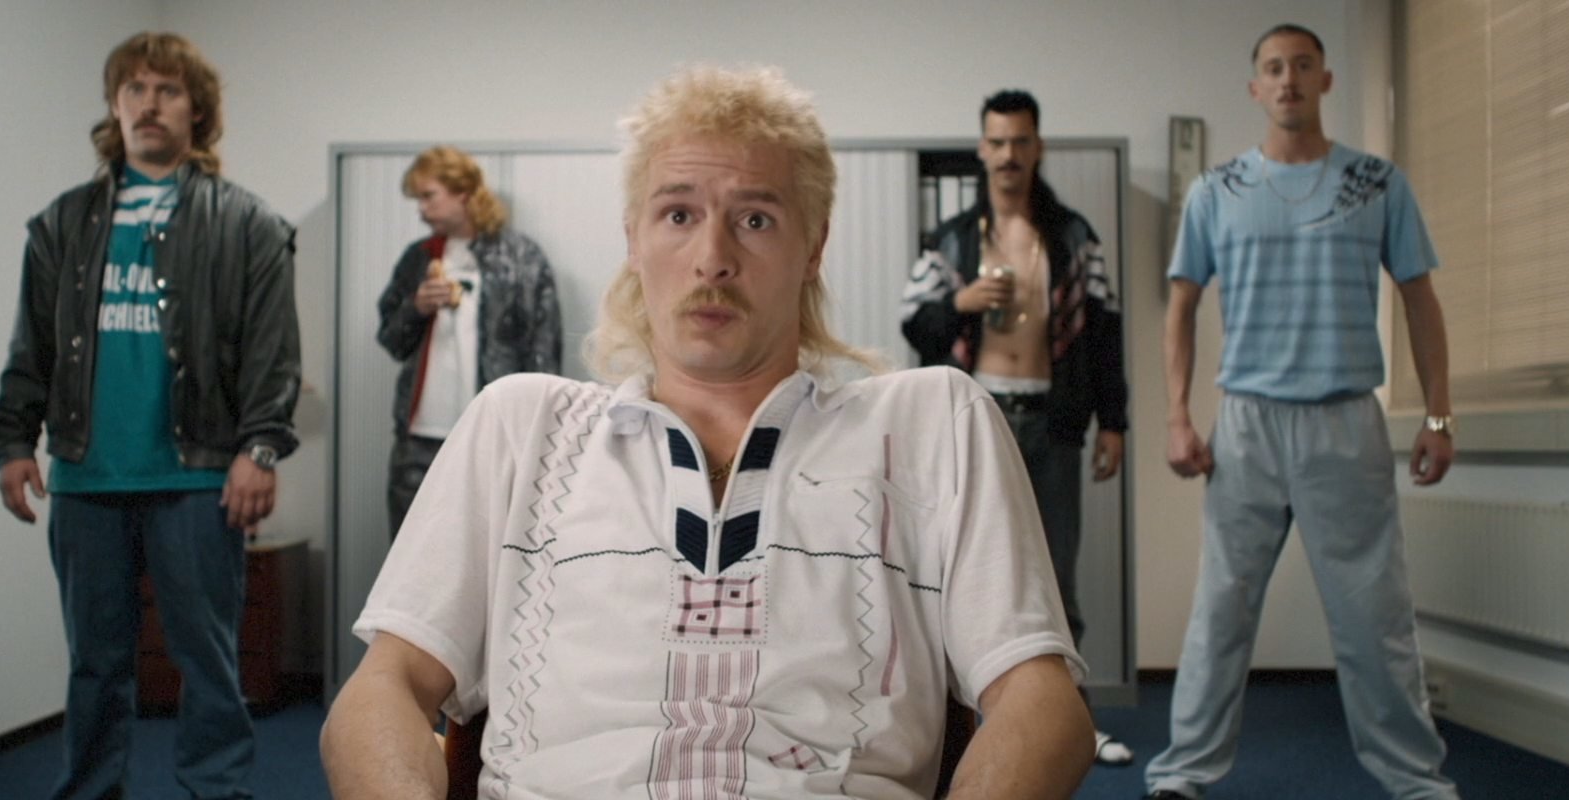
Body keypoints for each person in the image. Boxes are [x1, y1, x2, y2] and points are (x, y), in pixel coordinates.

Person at [323, 65, 1094, 799]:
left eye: (755, 219)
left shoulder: (931, 424)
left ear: (814, 246)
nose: (713, 259)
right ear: (634, 239)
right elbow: (383, 689)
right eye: (679, 215)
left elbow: (1044, 707)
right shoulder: (521, 427)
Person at [0, 31, 299, 800]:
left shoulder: (248, 224)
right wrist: (14, 441)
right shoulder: (61, 224)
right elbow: (33, 344)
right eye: (135, 90)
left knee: (207, 661)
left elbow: (273, 353)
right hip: (87, 477)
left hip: (198, 477)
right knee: (95, 664)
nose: (149, 104)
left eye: (168, 90)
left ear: (197, 111)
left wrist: (259, 448)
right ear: (115, 106)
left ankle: (215, 791)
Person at [1143, 23, 1458, 800]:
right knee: (1221, 612)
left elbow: (1420, 300)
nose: (1288, 79)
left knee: (1374, 616)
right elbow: (1180, 306)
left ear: (1325, 81)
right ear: (1256, 88)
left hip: (1344, 421)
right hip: (1246, 425)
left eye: (1303, 66)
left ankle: (1416, 779)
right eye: (1274, 68)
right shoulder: (1216, 190)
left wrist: (1439, 415)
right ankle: (1183, 773)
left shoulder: (1377, 183)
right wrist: (1178, 416)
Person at [900, 88, 1132, 766]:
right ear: (982, 147)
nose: (1008, 154)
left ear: (1038, 147)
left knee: (1056, 578)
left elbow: (1105, 333)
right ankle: (957, 732)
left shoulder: (1073, 236)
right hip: (975, 420)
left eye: (1020, 141)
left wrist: (1114, 422)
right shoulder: (952, 238)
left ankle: (1073, 727)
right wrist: (963, 301)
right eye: (997, 141)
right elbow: (914, 322)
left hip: (1051, 420)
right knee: (954, 578)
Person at [375, 146, 562, 538]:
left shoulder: (522, 257)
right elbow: (391, 341)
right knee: (411, 551)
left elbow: (544, 351)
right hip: (420, 438)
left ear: (462, 192)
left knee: (492, 551)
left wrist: (537, 434)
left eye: (429, 196)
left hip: (495, 435)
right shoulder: (417, 258)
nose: (421, 209)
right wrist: (416, 308)